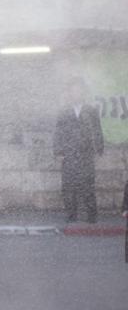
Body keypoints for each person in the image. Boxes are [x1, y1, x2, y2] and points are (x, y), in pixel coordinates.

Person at [53, 77, 104, 223]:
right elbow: (58, 132)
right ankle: (71, 214)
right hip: (69, 154)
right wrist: (58, 151)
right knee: (68, 185)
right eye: (73, 90)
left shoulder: (91, 110)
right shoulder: (64, 111)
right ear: (69, 92)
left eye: (79, 90)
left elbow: (97, 130)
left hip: (85, 153)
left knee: (88, 184)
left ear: (83, 92)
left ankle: (91, 215)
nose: (76, 93)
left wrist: (99, 148)